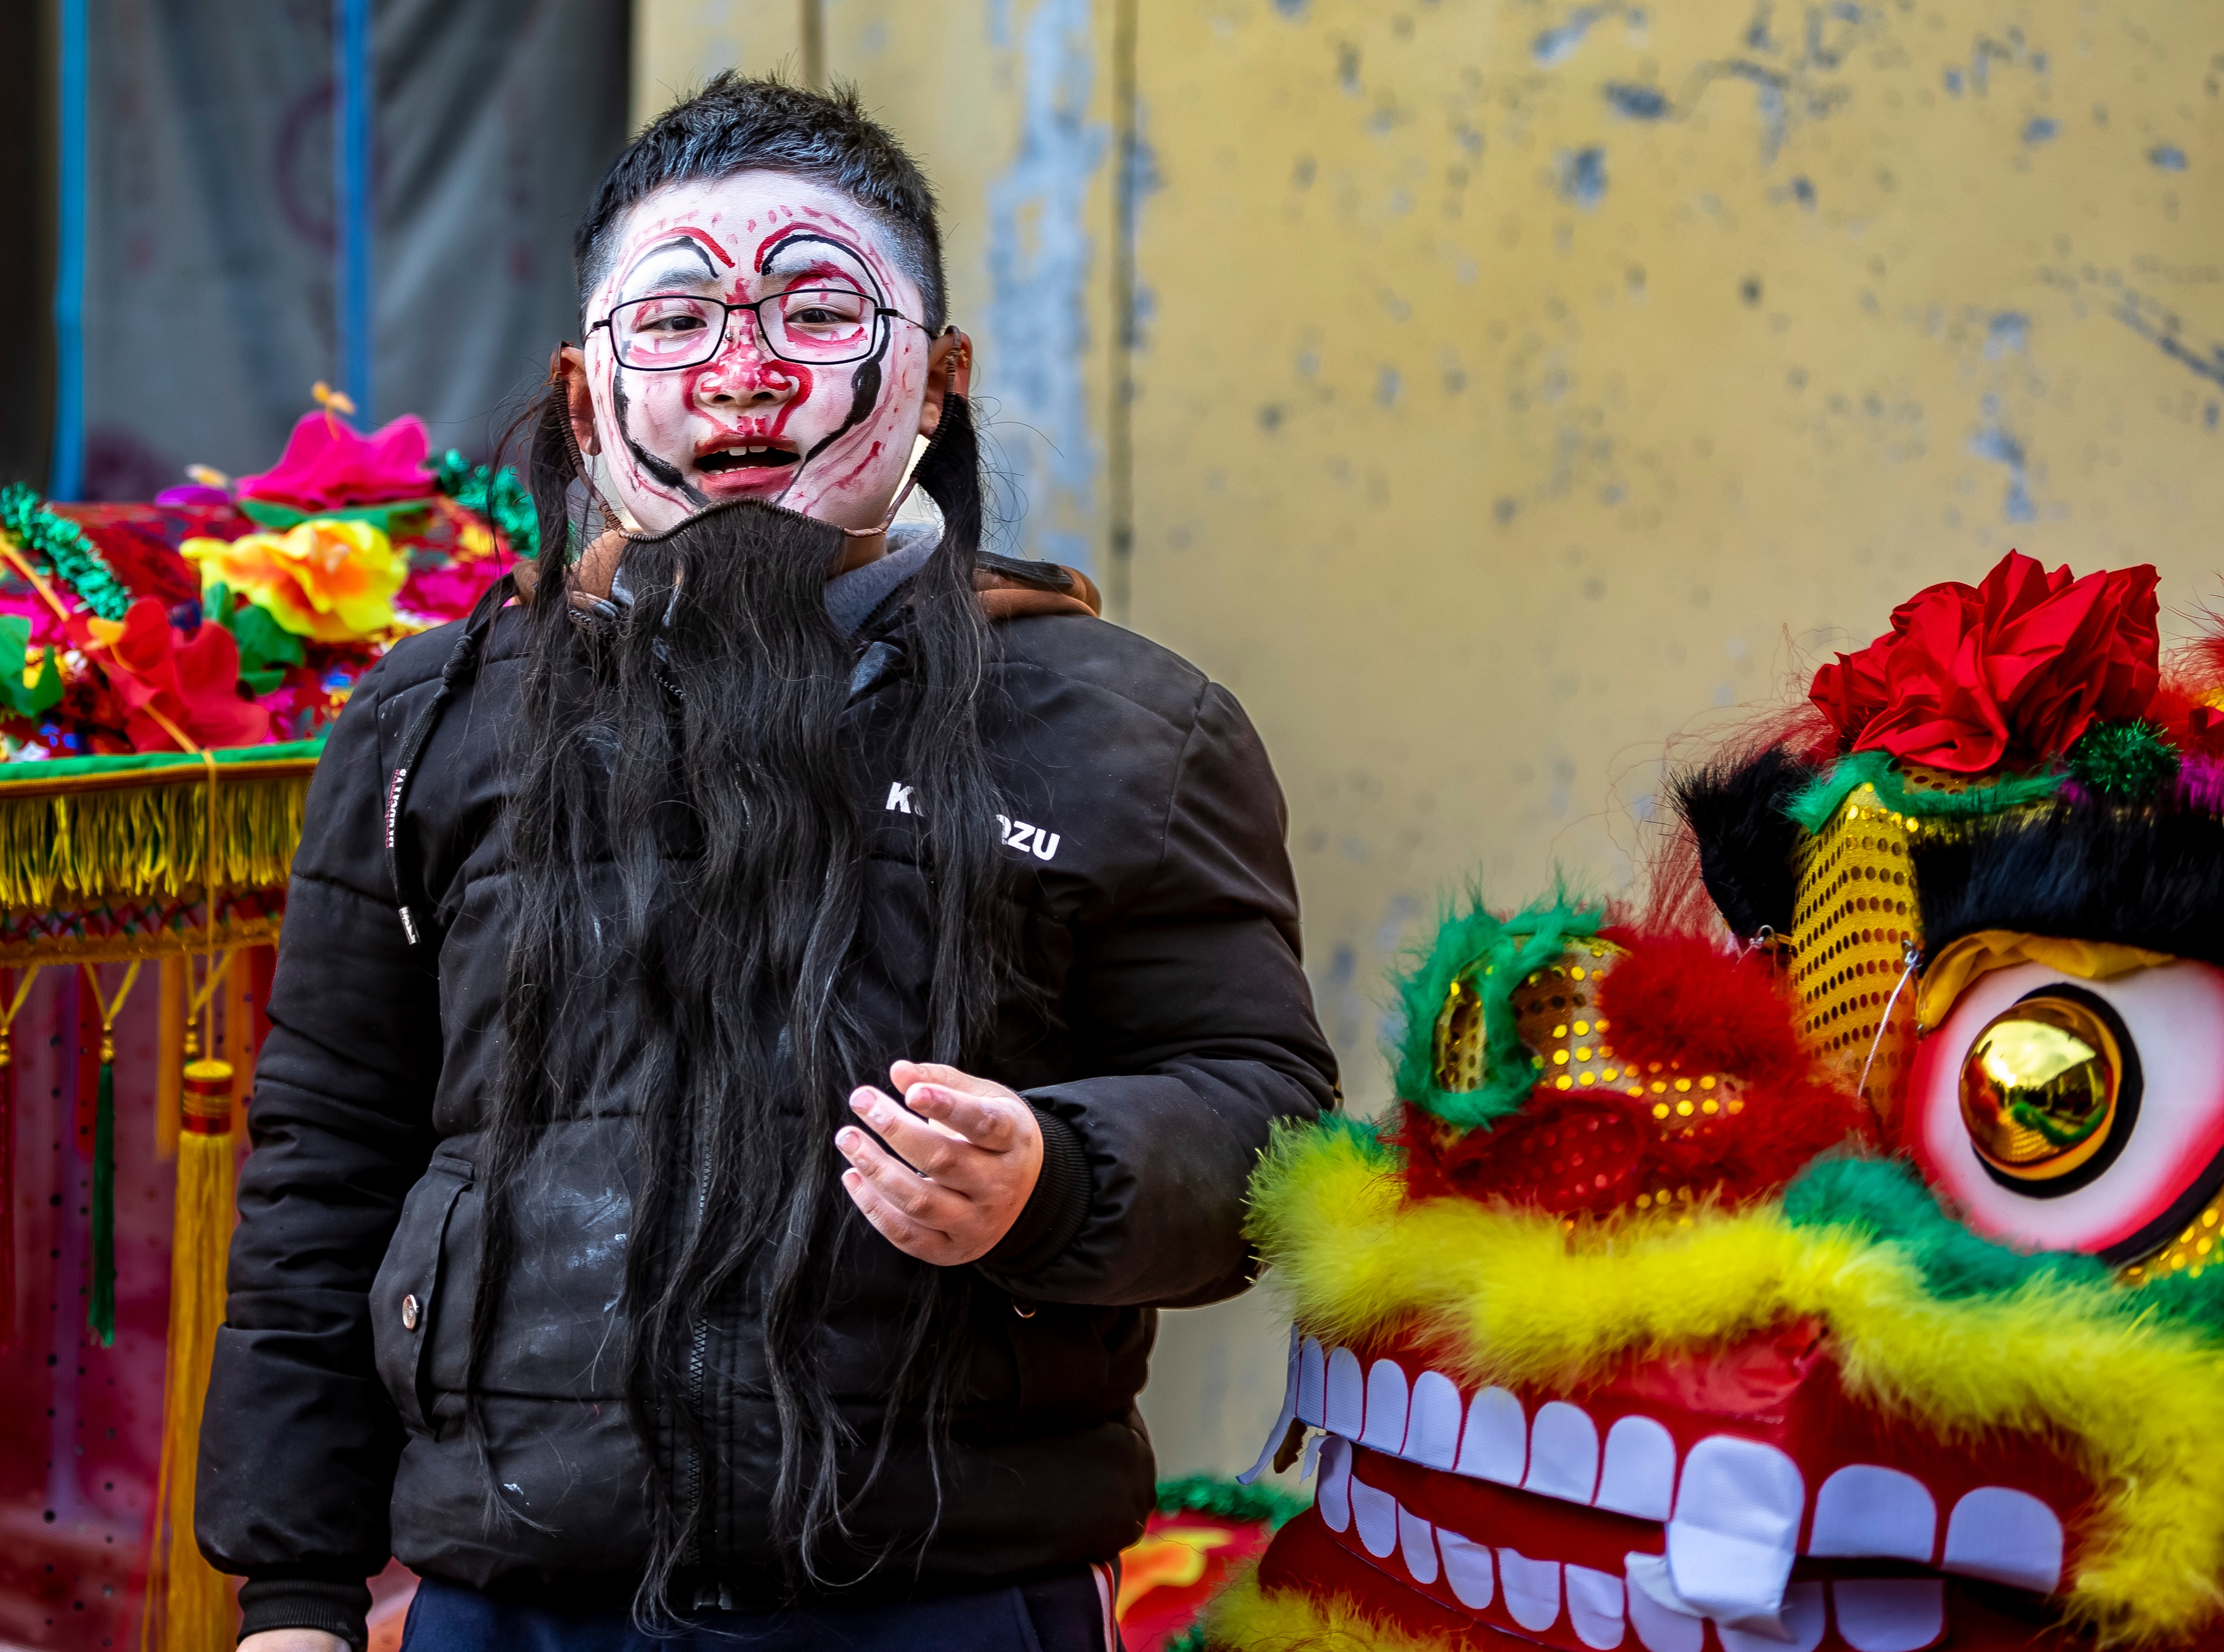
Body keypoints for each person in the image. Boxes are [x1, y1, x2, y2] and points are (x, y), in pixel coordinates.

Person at [197, 75, 1336, 1652]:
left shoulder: (1128, 727)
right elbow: (326, 1162)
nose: (740, 378)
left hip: (952, 1600)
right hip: (508, 1606)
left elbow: (1267, 1129)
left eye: (813, 311)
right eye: (670, 323)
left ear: (934, 383)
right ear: (585, 400)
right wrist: (295, 1599)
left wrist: (1053, 1176)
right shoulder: (428, 726)